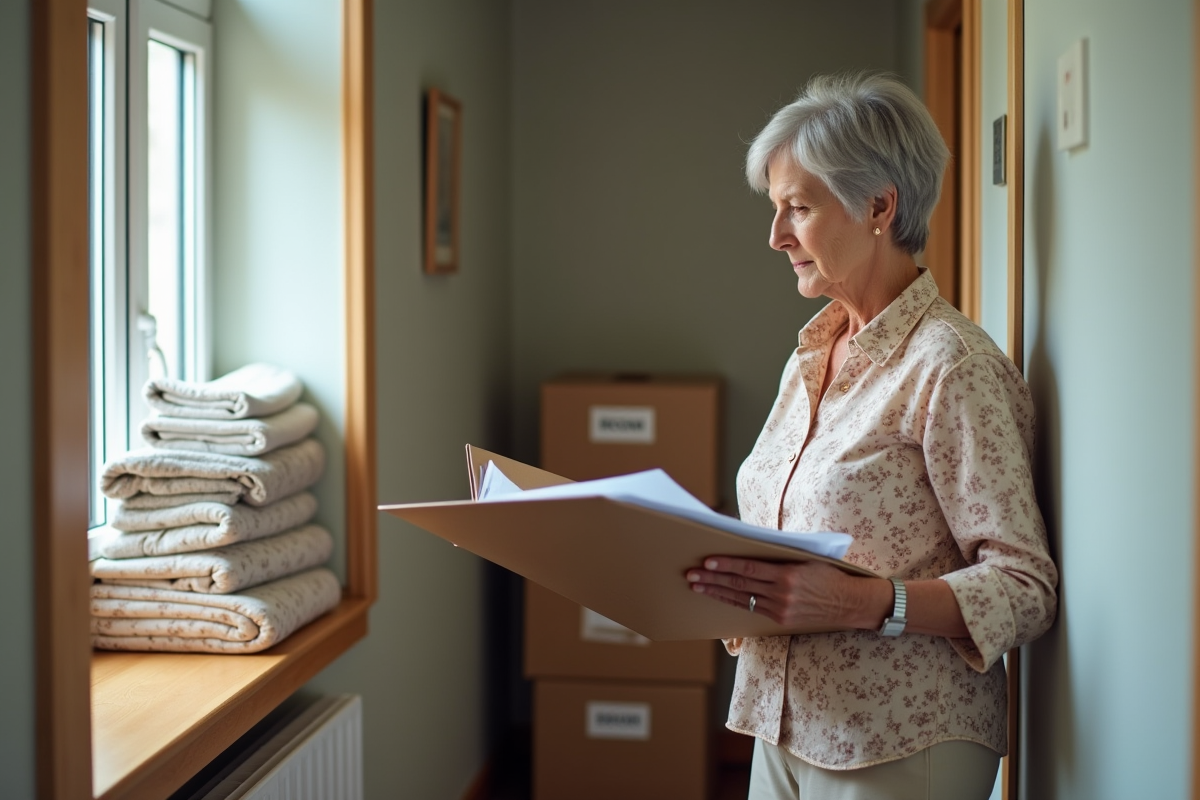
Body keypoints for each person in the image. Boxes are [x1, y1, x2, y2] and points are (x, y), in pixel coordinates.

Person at [684, 72, 1058, 800]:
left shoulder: (952, 366)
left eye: (797, 207)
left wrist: (864, 603)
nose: (775, 235)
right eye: (775, 208)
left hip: (901, 744)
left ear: (879, 206)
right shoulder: (815, 354)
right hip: (779, 727)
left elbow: (1025, 587)